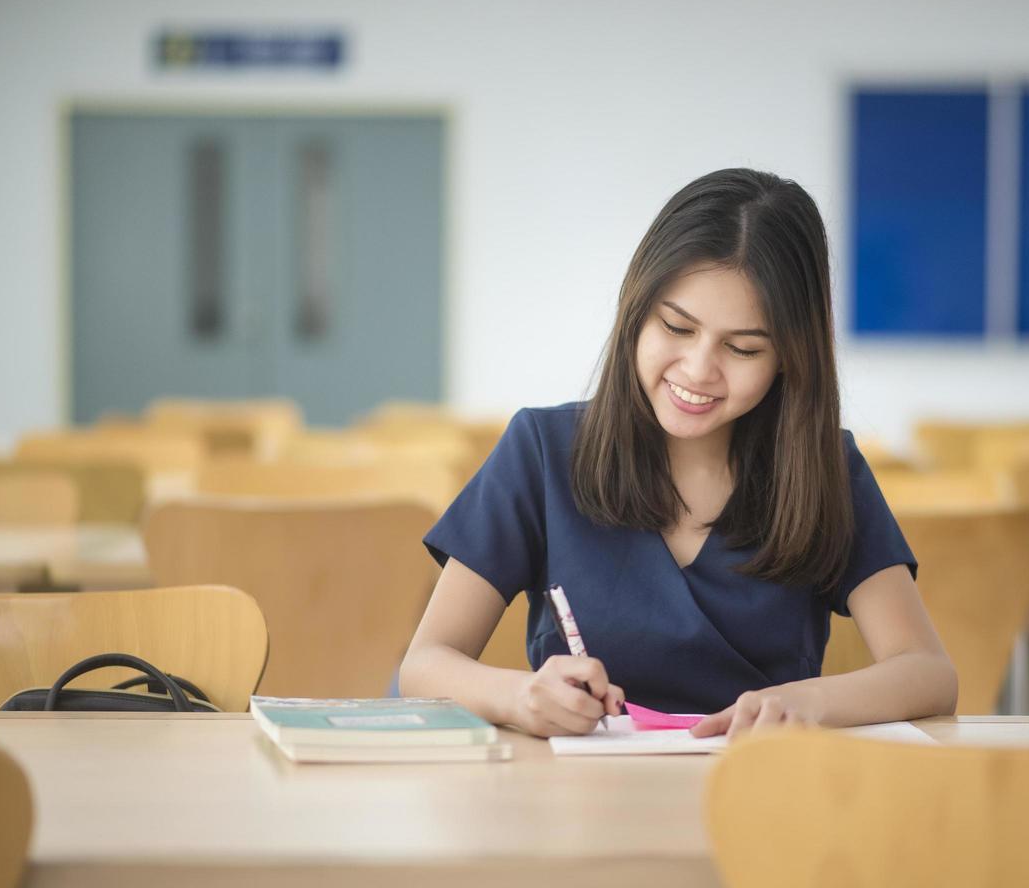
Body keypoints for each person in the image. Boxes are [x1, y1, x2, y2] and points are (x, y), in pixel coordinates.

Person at [399, 167, 957, 738]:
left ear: (790, 357)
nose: (698, 370)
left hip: (758, 800)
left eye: (742, 349)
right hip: (576, 808)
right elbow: (424, 665)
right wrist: (520, 695)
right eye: (677, 327)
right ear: (636, 311)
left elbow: (928, 673)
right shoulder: (542, 452)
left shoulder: (824, 472)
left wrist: (806, 702)